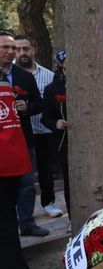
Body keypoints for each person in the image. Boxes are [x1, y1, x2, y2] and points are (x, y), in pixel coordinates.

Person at [0, 31, 48, 237]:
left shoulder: (25, 77)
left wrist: (27, 106)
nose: (11, 52)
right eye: (7, 47)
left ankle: (27, 223)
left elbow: (40, 103)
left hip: (23, 140)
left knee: (27, 183)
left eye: (13, 48)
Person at [14, 35, 62, 217]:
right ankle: (22, 211)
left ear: (33, 50)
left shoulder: (49, 76)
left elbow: (50, 105)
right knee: (22, 175)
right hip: (19, 133)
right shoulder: (10, 76)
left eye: (25, 49)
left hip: (44, 131)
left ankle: (48, 203)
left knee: (46, 170)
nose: (22, 53)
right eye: (17, 50)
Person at [0, 60, 31, 269]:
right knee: (8, 217)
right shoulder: (6, 86)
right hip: (14, 159)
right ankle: (17, 267)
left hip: (4, 161)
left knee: (5, 222)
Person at [41, 51, 71, 217]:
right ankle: (73, 218)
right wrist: (56, 123)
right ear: (61, 68)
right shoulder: (51, 89)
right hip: (63, 141)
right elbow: (45, 118)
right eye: (67, 68)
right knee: (69, 181)